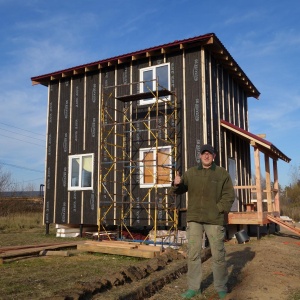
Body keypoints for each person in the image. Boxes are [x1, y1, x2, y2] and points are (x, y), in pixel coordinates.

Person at [171, 144, 235, 299]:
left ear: (214, 156)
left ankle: (220, 287)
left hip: (214, 220)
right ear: (200, 156)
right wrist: (176, 183)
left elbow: (229, 196)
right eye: (204, 153)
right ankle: (194, 288)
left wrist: (218, 209)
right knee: (193, 254)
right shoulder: (191, 173)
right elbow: (179, 190)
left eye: (209, 154)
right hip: (194, 220)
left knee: (218, 255)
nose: (206, 156)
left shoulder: (221, 173)